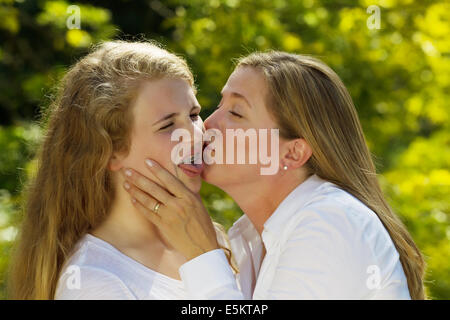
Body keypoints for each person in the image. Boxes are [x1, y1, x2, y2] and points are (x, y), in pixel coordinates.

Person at [123, 51, 426, 299]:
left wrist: (202, 255)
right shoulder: (248, 237)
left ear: (292, 153)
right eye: (219, 105)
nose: (209, 123)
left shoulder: (331, 222)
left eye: (237, 113)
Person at [7, 40, 234, 300]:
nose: (196, 136)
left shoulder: (207, 237)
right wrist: (205, 258)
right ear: (111, 150)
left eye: (193, 115)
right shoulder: (94, 282)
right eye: (167, 125)